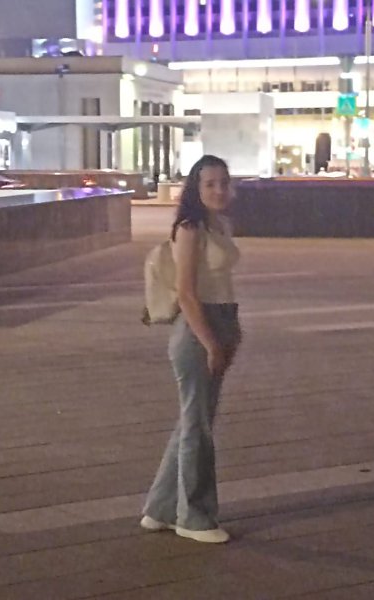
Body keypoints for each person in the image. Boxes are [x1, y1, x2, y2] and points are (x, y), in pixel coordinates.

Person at [141, 155, 241, 544]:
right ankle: (195, 517)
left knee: (193, 420)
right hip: (198, 329)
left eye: (223, 182)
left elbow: (222, 283)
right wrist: (211, 342)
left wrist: (232, 332)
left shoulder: (220, 225)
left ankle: (161, 509)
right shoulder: (190, 228)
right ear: (195, 189)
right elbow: (185, 293)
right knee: (197, 425)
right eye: (209, 184)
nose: (219, 190)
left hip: (222, 320)